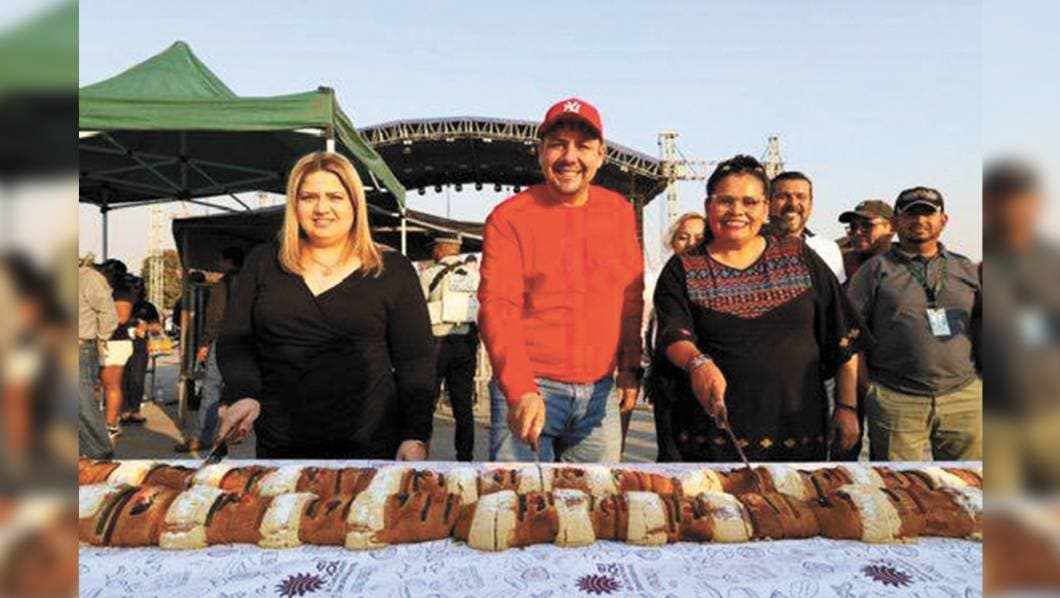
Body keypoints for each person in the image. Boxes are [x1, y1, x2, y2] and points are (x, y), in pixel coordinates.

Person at [216, 152, 435, 459]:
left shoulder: (392, 270)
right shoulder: (263, 262)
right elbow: (235, 341)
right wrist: (243, 393)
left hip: (371, 446)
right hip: (281, 446)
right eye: (308, 197)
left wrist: (415, 435)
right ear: (294, 205)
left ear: (354, 204)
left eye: (335, 196)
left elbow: (417, 360)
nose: (321, 208)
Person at [653, 155, 868, 462]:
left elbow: (844, 335)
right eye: (725, 201)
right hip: (711, 436)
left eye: (749, 202)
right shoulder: (683, 267)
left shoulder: (798, 257)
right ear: (708, 206)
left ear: (765, 208)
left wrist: (847, 407)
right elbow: (674, 333)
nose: (737, 211)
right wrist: (697, 362)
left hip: (797, 430)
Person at [478, 97, 644, 463]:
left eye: (583, 146)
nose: (570, 157)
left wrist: (630, 367)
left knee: (598, 508)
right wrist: (520, 388)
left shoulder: (617, 211)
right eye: (558, 145)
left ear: (601, 155)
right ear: (541, 153)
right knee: (520, 506)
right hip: (531, 387)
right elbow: (498, 305)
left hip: (599, 391)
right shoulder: (509, 218)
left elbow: (630, 295)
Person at [847, 187, 982, 461]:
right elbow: (850, 337)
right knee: (899, 489)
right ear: (895, 222)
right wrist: (869, 391)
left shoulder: (966, 268)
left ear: (943, 220)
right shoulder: (874, 270)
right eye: (910, 214)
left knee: (968, 487)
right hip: (896, 398)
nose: (919, 220)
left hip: (964, 397)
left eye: (927, 213)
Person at [982, 160, 1060, 491]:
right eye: (1000, 201)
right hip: (999, 414)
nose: (1010, 211)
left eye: (1019, 200)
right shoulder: (980, 269)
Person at [644, 212, 706, 461]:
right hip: (669, 378)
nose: (691, 243)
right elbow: (648, 328)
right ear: (672, 242)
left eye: (700, 237)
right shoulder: (655, 279)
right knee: (672, 455)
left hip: (707, 377)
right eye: (683, 237)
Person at [175, 246, 243, 453]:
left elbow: (215, 315)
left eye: (221, 260)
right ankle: (237, 432)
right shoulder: (252, 281)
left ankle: (201, 438)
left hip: (224, 340)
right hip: (248, 342)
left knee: (211, 389)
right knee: (242, 390)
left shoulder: (224, 284)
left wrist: (205, 343)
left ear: (228, 261)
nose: (219, 264)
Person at [420, 234, 480, 461]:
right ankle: (465, 458)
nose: (433, 252)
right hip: (465, 344)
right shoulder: (474, 277)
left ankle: (422, 455)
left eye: (435, 248)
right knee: (463, 407)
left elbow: (417, 311)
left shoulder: (429, 275)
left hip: (436, 344)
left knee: (427, 404)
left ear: (443, 248)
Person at [770, 171, 846, 282]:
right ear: (768, 202)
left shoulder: (828, 249)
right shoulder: (748, 247)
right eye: (783, 197)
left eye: (801, 197)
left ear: (811, 204)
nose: (793, 204)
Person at [77, 256, 116, 458]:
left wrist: (101, 338)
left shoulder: (89, 278)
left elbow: (108, 312)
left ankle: (101, 452)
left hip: (79, 347)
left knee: (81, 403)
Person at [96, 260, 133, 441]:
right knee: (97, 385)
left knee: (111, 385)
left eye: (102, 272)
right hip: (100, 342)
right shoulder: (100, 291)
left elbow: (122, 317)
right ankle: (102, 423)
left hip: (116, 343)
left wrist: (95, 322)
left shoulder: (121, 292)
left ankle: (111, 424)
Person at [118, 276, 161, 426]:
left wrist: (146, 327)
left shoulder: (147, 307)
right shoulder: (117, 304)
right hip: (119, 344)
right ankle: (123, 410)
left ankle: (135, 410)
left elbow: (156, 327)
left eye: (137, 290)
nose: (134, 294)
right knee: (122, 378)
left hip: (139, 346)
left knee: (137, 377)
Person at [839, 200, 895, 280]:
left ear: (892, 227)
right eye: (853, 227)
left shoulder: (905, 267)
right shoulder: (842, 265)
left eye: (867, 225)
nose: (857, 232)